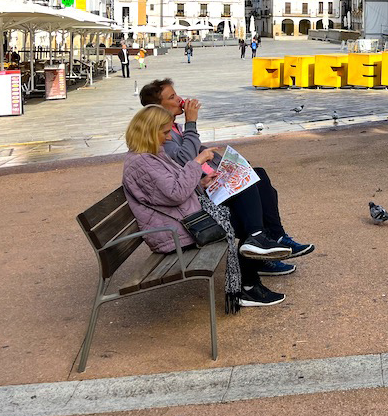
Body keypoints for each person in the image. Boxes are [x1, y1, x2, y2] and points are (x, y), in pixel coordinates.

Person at [139, 77, 314, 278]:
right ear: (157, 108)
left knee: (258, 176)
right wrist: (191, 122)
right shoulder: (163, 135)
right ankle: (259, 242)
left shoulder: (173, 129)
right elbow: (185, 160)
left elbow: (192, 155)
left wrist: (224, 165)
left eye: (176, 93)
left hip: (203, 184)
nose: (180, 98)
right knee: (247, 184)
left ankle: (275, 237)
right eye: (172, 96)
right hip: (198, 198)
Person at [122, 104, 289, 309]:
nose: (167, 138)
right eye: (165, 132)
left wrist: (201, 183)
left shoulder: (148, 156)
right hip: (176, 231)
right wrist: (198, 161)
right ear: (148, 131)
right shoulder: (142, 163)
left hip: (183, 219)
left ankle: (255, 255)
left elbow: (169, 192)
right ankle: (251, 271)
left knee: (250, 184)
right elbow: (176, 194)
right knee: (247, 209)